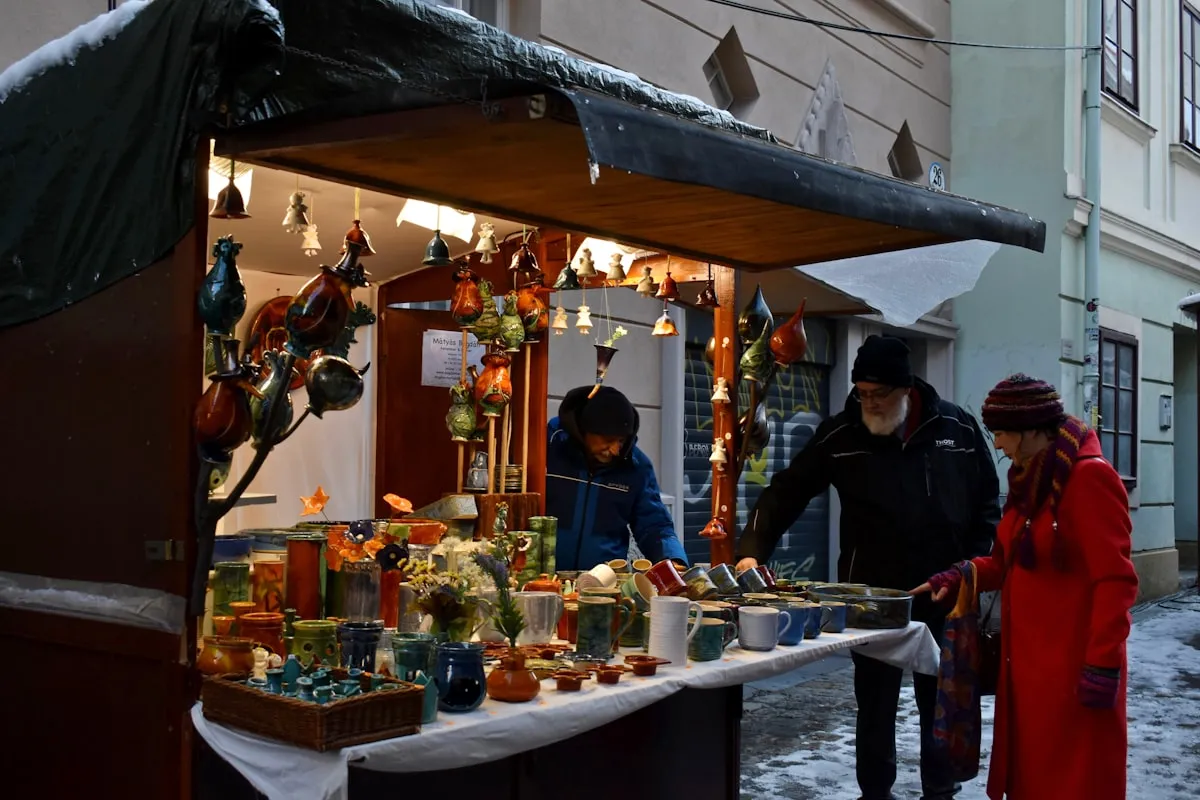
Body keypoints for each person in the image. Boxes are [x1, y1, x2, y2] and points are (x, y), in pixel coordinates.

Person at [735, 334, 999, 800]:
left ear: (906, 390)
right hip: (870, 597)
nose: (869, 403)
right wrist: (753, 548)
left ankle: (939, 792)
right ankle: (874, 793)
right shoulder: (842, 434)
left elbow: (986, 506)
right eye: (862, 393)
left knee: (939, 702)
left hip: (944, 591)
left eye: (879, 394)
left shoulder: (957, 429)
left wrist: (972, 568)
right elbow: (788, 489)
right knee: (874, 704)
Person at [912, 374, 1138, 800]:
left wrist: (1102, 665)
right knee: (1033, 779)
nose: (997, 445)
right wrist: (962, 573)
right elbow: (1004, 560)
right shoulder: (1029, 481)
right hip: (1030, 671)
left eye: (1001, 433)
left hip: (1075, 672)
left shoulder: (1088, 480)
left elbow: (1117, 580)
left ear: (1034, 429)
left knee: (1073, 782)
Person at [546, 385, 688, 570]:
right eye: (608, 440)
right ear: (583, 431)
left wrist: (672, 558)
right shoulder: (546, 449)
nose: (615, 450)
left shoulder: (636, 466)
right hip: (543, 581)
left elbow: (654, 525)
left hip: (605, 585)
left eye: (620, 441)